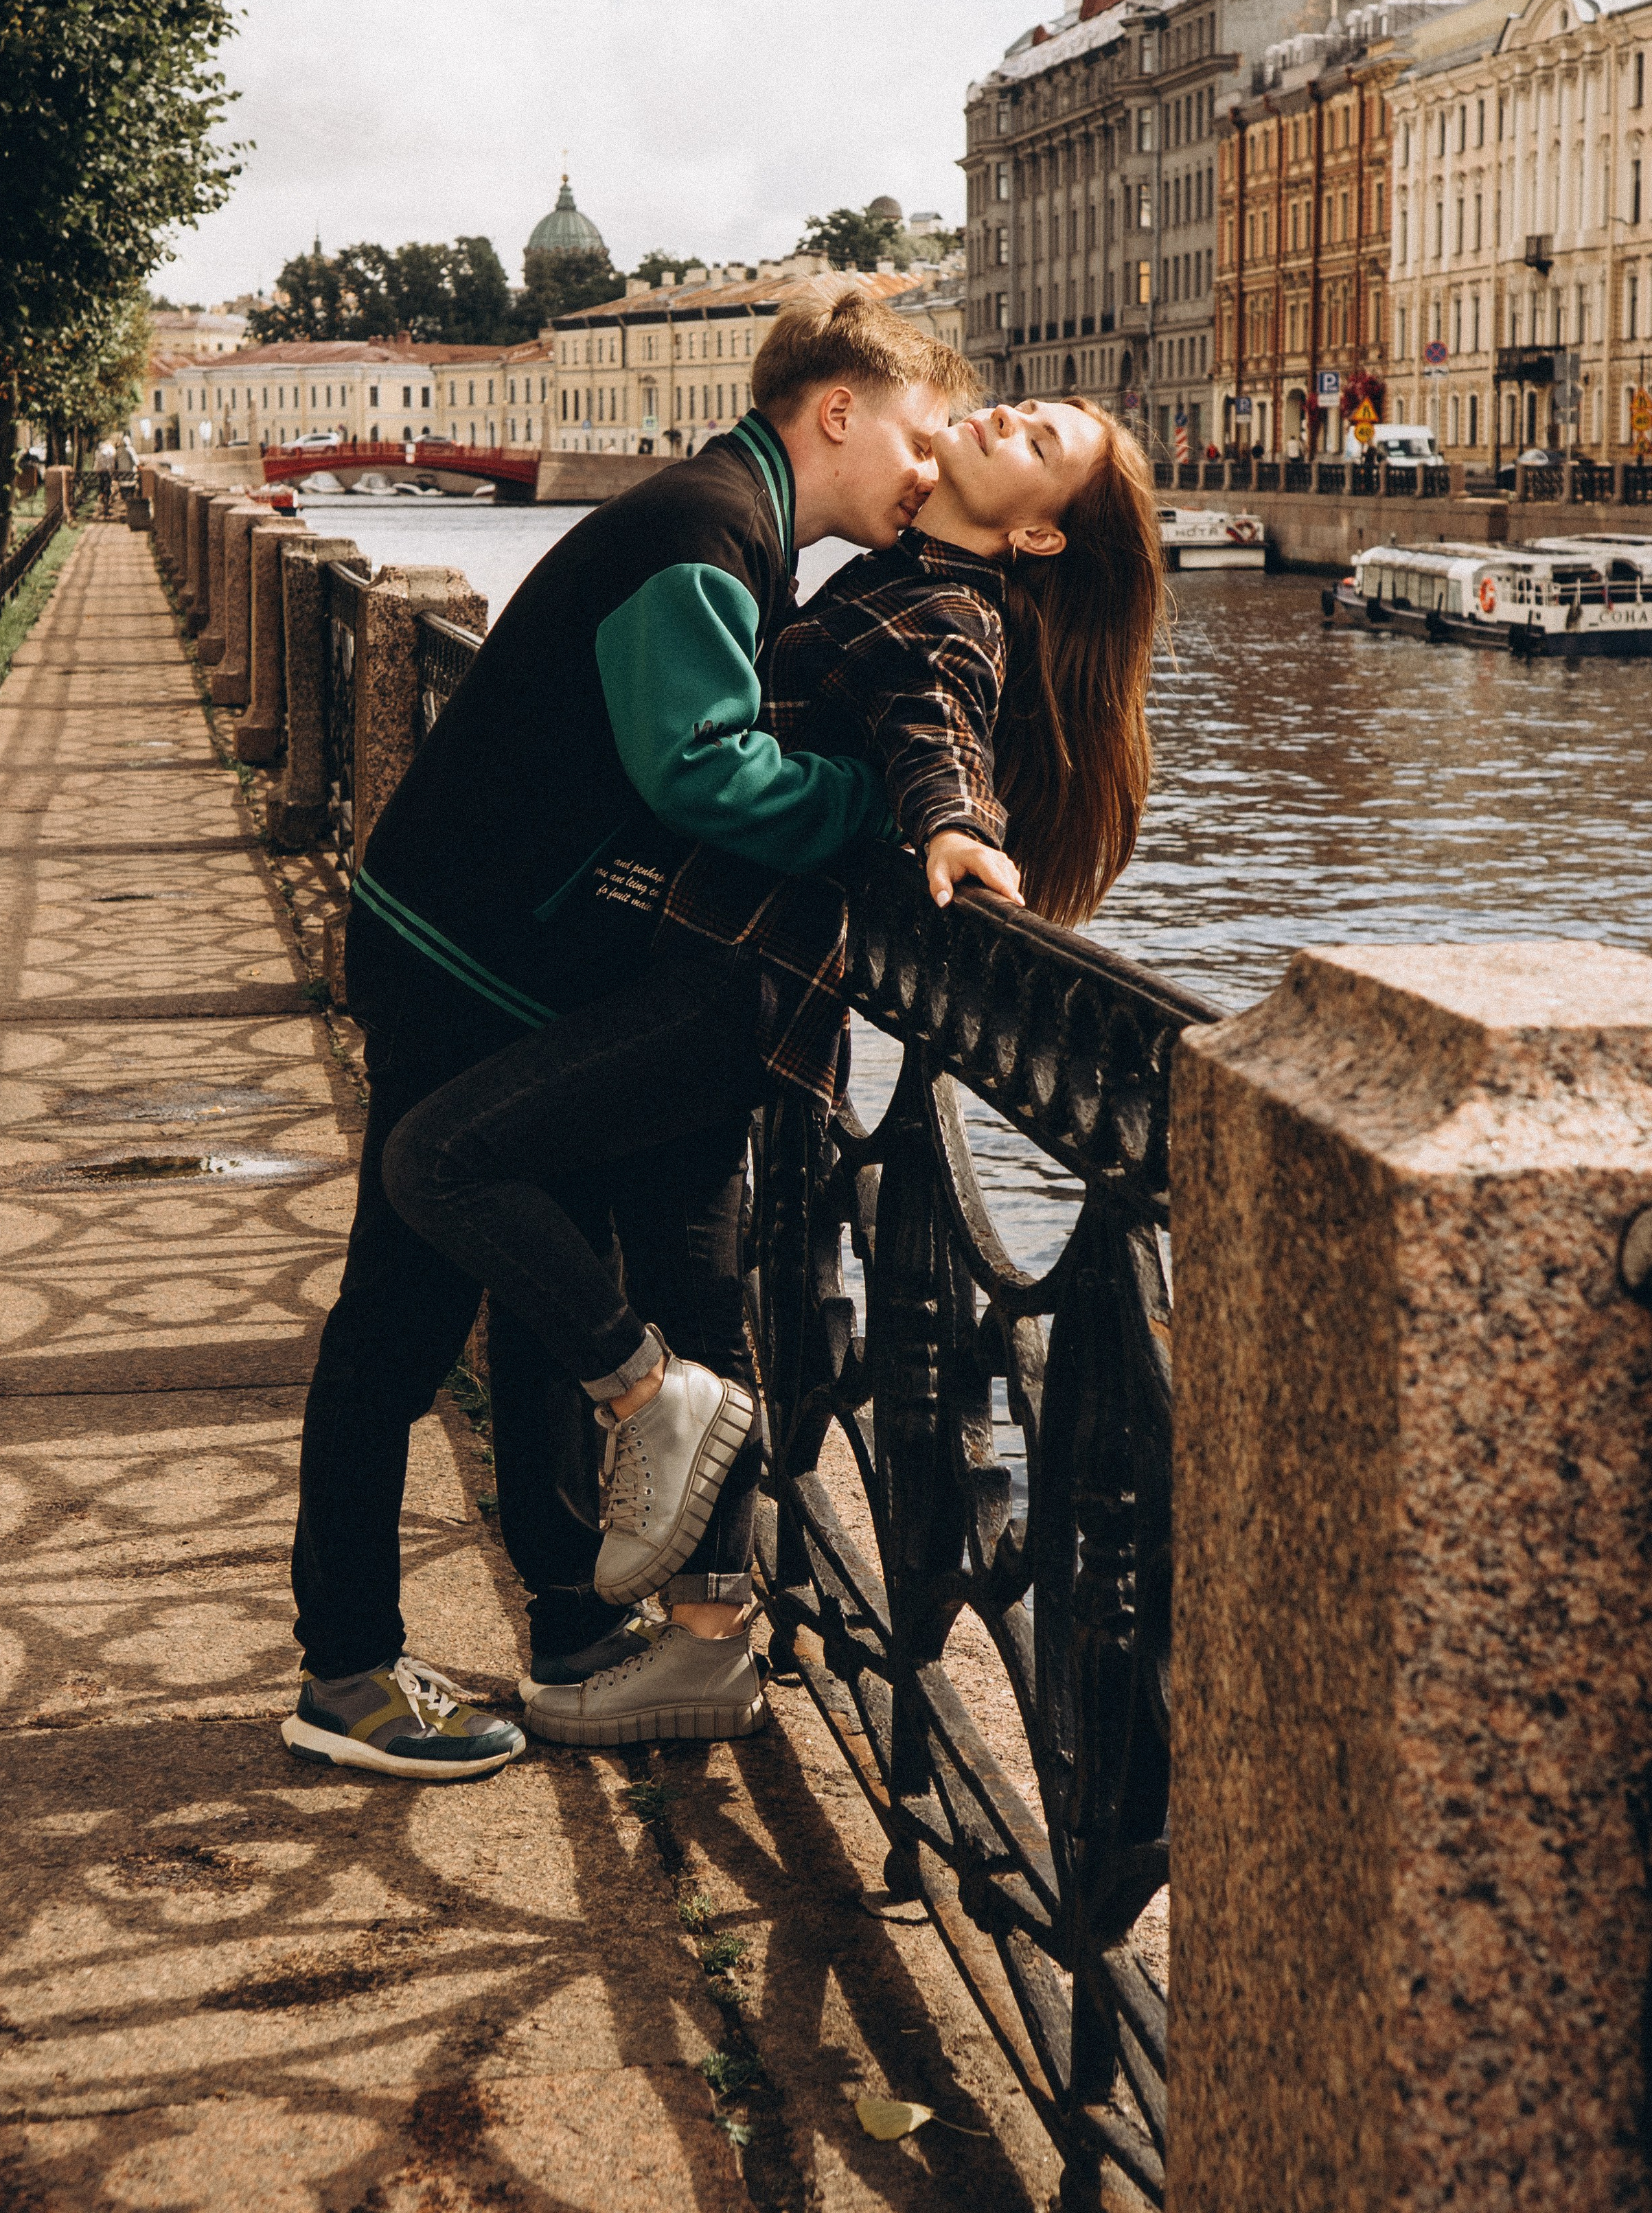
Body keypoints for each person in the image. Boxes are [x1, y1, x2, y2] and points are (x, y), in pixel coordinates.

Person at [380, 386, 1163, 1751]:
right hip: (710, 975)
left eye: (1040, 443)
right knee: (695, 1286)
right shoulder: (894, 569)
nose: (1006, 419)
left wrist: (950, 824)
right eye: (1022, 407)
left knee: (440, 1161)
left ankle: (646, 1398)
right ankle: (705, 1642)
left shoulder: (947, 609)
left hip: (727, 991)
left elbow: (937, 726)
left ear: (1040, 536)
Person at [283, 282, 983, 1781]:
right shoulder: (703, 533)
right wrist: (873, 809)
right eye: (920, 437)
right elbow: (702, 773)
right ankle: (344, 1671)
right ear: (839, 413)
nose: (929, 471)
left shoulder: (728, 525)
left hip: (501, 952)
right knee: (397, 1322)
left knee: (517, 1298)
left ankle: (568, 1623)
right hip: (461, 955)